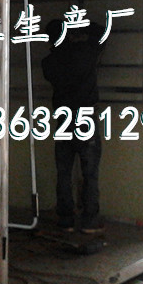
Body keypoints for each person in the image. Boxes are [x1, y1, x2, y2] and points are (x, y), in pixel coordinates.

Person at [41, 18, 105, 234]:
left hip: (63, 119)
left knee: (64, 171)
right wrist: (79, 26)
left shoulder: (48, 63)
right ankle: (90, 220)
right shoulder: (86, 52)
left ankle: (66, 219)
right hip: (86, 116)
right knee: (90, 172)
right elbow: (101, 32)